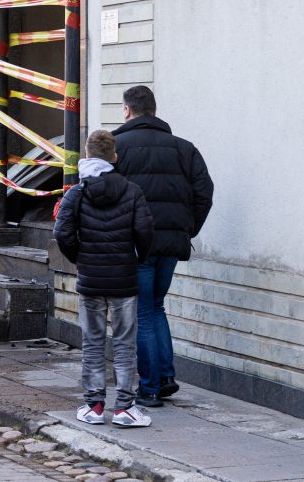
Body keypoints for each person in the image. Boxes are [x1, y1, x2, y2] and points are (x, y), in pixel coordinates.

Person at [112, 85, 214, 408]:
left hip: (136, 245)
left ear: (128, 111)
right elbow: (204, 192)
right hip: (170, 244)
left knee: (143, 311)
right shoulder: (184, 149)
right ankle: (166, 376)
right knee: (156, 306)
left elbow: (104, 193)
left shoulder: (116, 147)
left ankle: (151, 387)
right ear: (154, 111)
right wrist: (186, 229)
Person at [54, 130, 155, 428]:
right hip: (124, 280)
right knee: (125, 344)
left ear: (86, 156)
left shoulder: (76, 192)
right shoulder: (132, 191)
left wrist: (80, 258)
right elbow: (146, 233)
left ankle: (94, 406)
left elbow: (62, 233)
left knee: (93, 343)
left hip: (91, 281)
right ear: (115, 157)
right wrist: (137, 259)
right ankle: (125, 408)